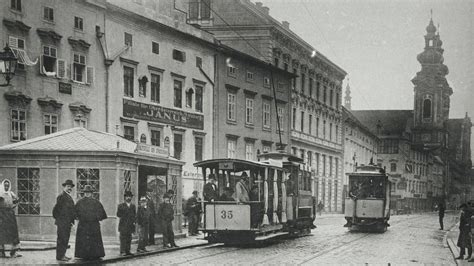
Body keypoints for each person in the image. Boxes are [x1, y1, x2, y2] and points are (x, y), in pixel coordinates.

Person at [74, 185, 107, 261]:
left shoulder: (96, 202)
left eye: (89, 192)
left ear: (92, 193)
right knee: (84, 240)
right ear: (84, 193)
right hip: (83, 225)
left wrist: (96, 218)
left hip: (93, 225)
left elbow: (102, 214)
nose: (87, 194)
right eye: (86, 192)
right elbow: (74, 213)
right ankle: (83, 255)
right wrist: (79, 217)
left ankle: (95, 254)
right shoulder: (79, 202)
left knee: (94, 240)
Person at [52, 179, 76, 261]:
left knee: (65, 239)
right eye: (68, 186)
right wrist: (60, 220)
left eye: (71, 187)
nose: (70, 188)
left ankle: (63, 255)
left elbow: (71, 210)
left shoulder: (68, 196)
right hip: (63, 223)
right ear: (64, 187)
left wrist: (71, 221)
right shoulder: (61, 196)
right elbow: (56, 210)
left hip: (67, 223)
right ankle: (60, 256)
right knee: (61, 239)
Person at [0, 179, 21, 258]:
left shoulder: (11, 194)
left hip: (10, 215)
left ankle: (13, 252)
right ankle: (1, 251)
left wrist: (14, 205)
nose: (6, 187)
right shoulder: (0, 194)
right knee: (2, 233)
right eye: (5, 185)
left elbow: (16, 202)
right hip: (1, 215)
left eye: (8, 185)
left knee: (13, 233)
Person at [116, 191, 136, 256]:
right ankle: (122, 251)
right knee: (123, 238)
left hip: (130, 225)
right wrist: (124, 215)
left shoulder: (133, 206)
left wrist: (134, 223)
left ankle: (128, 250)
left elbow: (134, 215)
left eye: (130, 197)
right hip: (123, 225)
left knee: (129, 238)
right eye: (127, 196)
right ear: (125, 197)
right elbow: (118, 215)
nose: (128, 198)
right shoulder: (121, 206)